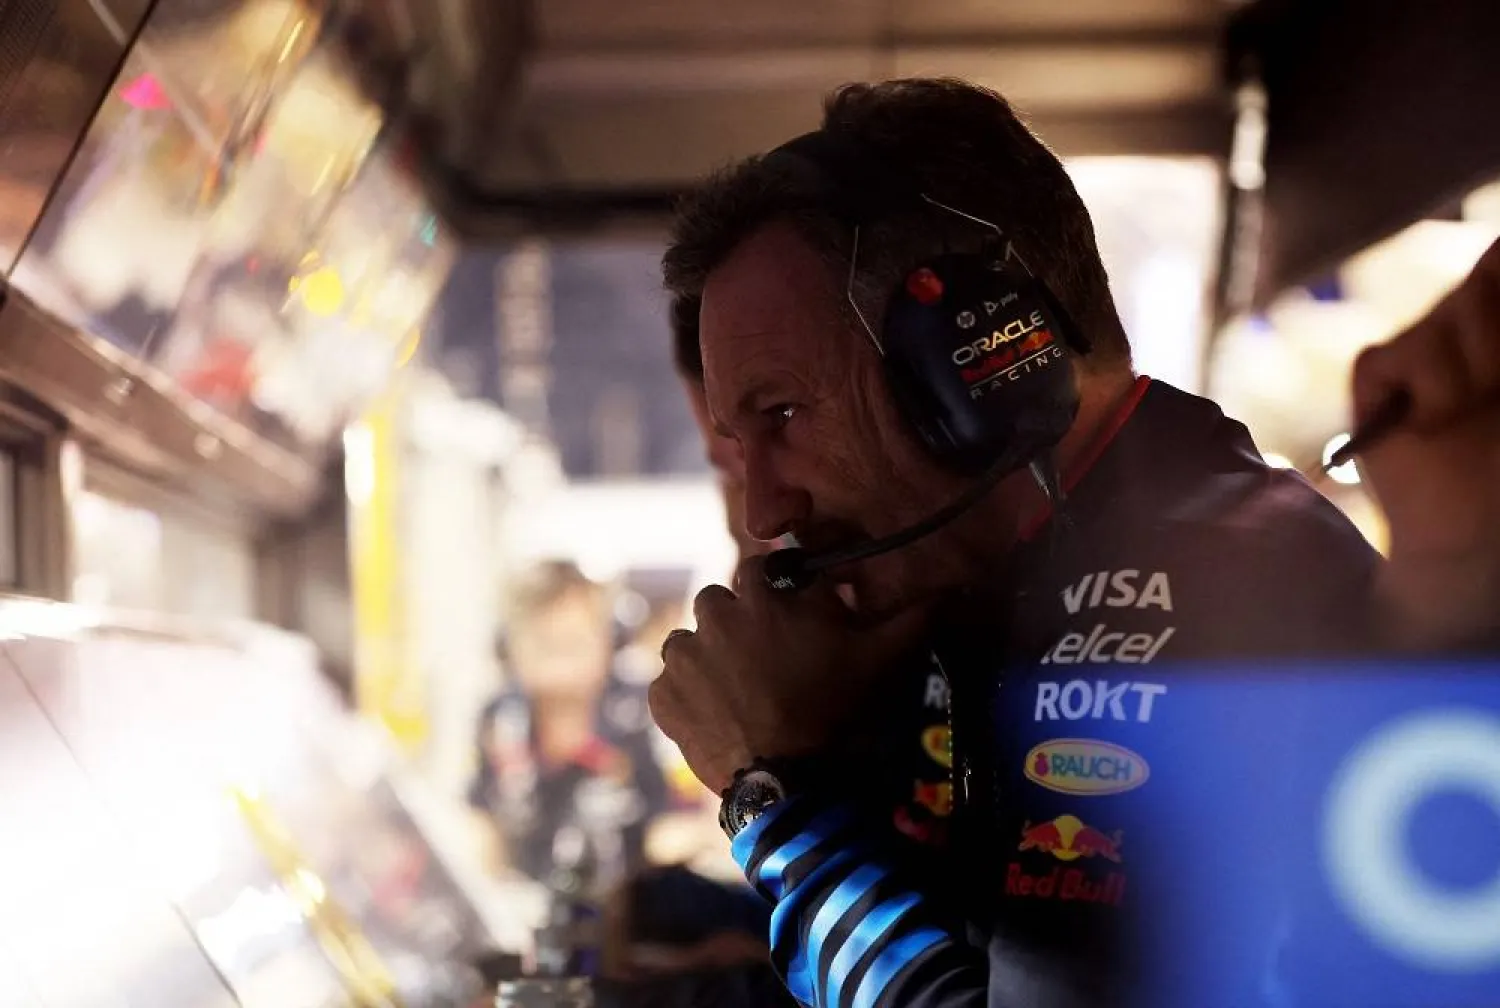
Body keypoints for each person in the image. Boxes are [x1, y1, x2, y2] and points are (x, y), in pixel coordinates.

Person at [648, 77, 1500, 1008]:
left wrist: (777, 799)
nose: (765, 511)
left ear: (969, 355)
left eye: (782, 415)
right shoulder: (1006, 593)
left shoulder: (1200, 602)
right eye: (739, 448)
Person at [469, 561, 671, 888]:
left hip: (631, 899)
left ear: (610, 641)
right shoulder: (499, 718)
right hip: (527, 899)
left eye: (574, 642)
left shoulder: (647, 711)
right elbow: (482, 823)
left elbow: (679, 826)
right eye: (545, 643)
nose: (561, 664)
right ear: (509, 649)